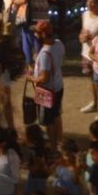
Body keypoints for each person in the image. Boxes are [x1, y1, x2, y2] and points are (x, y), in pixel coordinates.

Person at [30, 20, 66, 148]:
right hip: (59, 86)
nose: (35, 34)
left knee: (48, 120)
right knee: (57, 114)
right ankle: (60, 141)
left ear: (43, 34)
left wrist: (32, 78)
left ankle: (53, 146)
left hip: (47, 90)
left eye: (37, 32)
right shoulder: (59, 44)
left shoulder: (45, 53)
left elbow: (44, 78)